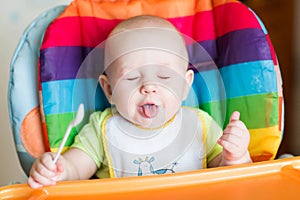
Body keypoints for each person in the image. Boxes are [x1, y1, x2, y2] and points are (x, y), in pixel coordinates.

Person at [28, 15, 252, 188]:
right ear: (109, 90)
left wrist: (236, 156)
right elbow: (75, 169)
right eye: (132, 77)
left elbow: (231, 180)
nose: (149, 86)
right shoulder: (102, 128)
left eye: (164, 76)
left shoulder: (200, 126)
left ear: (185, 85)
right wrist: (57, 169)